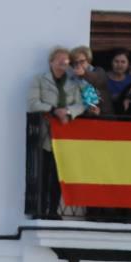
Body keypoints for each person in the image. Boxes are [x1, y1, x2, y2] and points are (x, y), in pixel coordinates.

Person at [28, 46, 85, 217]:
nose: (62, 63)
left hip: (65, 136)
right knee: (43, 174)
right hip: (44, 135)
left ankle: (53, 209)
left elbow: (81, 104)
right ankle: (41, 209)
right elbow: (32, 103)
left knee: (59, 176)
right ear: (51, 62)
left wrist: (68, 111)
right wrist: (53, 110)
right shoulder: (39, 80)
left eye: (66, 60)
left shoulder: (73, 83)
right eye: (59, 59)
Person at [69, 46, 108, 116]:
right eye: (76, 62)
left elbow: (97, 79)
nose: (79, 65)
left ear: (88, 61)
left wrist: (84, 73)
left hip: (103, 117)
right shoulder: (71, 79)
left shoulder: (99, 71)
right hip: (82, 118)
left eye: (82, 61)